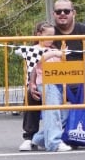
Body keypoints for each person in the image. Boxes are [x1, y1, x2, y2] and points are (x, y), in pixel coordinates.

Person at [31, 0, 85, 152]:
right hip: (48, 81)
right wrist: (30, 83)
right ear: (53, 14)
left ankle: (42, 138)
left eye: (66, 11)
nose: (62, 14)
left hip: (77, 78)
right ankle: (50, 141)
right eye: (58, 11)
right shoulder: (48, 32)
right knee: (38, 97)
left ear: (73, 13)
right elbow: (34, 61)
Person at [18, 21, 57, 151]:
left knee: (59, 106)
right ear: (38, 34)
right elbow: (33, 67)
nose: (50, 39)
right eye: (48, 35)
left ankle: (43, 137)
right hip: (39, 83)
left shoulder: (55, 49)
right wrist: (31, 83)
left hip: (55, 83)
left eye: (53, 36)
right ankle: (29, 137)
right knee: (31, 96)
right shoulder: (33, 50)